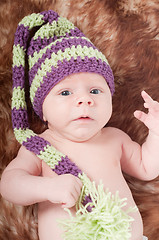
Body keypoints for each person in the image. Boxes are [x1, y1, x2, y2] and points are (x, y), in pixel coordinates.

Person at [1, 10, 158, 240]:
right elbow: (9, 185)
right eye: (65, 92)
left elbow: (147, 168)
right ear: (42, 110)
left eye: (95, 90)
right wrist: (48, 188)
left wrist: (155, 133)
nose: (85, 99)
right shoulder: (41, 146)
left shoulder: (115, 138)